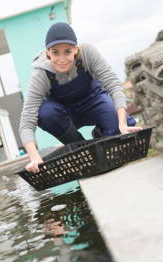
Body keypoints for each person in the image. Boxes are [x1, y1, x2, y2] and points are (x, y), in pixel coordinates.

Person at [19, 22, 142, 174]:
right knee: (45, 113)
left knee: (121, 126)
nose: (62, 59)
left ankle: (101, 135)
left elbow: (113, 84)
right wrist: (34, 157)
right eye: (55, 52)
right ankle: (82, 149)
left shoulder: (87, 53)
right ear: (48, 53)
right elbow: (26, 121)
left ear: (75, 49)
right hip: (65, 115)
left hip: (94, 102)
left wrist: (122, 124)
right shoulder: (40, 74)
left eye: (67, 52)